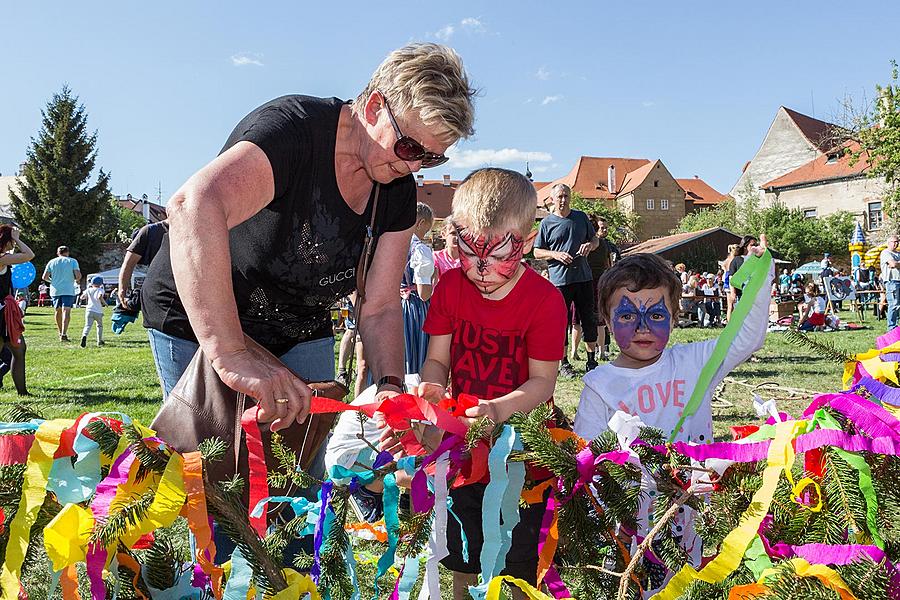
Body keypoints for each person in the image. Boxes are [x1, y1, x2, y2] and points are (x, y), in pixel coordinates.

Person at [139, 42, 476, 431]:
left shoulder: (397, 189)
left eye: (432, 157)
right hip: (201, 316)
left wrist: (389, 386)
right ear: (374, 108)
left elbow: (380, 305)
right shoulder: (293, 129)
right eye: (410, 146)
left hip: (299, 324)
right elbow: (193, 206)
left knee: (303, 472)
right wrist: (230, 352)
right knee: (209, 465)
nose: (414, 165)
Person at [406, 168, 566, 599]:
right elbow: (437, 360)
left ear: (527, 242)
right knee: (463, 552)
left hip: (525, 452)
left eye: (497, 254)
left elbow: (542, 383)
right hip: (465, 446)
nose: (481, 269)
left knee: (515, 560)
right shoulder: (450, 287)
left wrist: (498, 409)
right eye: (468, 251)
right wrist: (433, 389)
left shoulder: (546, 301)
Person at [533, 183, 599, 376]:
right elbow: (536, 252)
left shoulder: (580, 217)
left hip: (583, 277)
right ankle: (564, 363)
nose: (563, 200)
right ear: (552, 199)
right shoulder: (547, 223)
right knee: (561, 322)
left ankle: (591, 361)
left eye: (566, 196)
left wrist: (590, 246)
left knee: (588, 318)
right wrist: (555, 254)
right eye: (560, 196)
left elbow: (595, 239)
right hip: (560, 280)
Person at [0, 226, 35, 395]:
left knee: (19, 350)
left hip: (5, 313)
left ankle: (23, 392)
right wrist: (19, 239)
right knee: (17, 350)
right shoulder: (2, 258)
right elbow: (29, 255)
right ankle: (22, 392)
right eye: (12, 240)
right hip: (1, 313)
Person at [401, 202, 434, 374]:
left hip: (395, 306)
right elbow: (423, 294)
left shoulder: (394, 246)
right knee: (417, 354)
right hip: (415, 310)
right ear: (420, 223)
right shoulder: (420, 249)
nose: (425, 234)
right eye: (426, 229)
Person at [118, 220, 169, 308]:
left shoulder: (193, 231)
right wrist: (122, 291)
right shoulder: (150, 231)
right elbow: (128, 264)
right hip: (159, 293)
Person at [42, 245, 81, 341]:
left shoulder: (52, 262)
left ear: (58, 253)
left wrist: (53, 281)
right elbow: (78, 276)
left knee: (58, 311)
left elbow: (44, 277)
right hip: (68, 289)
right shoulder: (72, 261)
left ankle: (60, 332)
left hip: (55, 290)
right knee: (66, 311)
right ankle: (64, 333)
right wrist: (73, 279)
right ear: (67, 252)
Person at [80, 276, 107, 347]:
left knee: (87, 325)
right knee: (99, 326)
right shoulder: (100, 290)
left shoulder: (89, 289)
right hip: (98, 311)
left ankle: (84, 336)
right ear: (101, 284)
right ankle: (99, 341)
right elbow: (99, 297)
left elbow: (82, 297)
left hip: (89, 310)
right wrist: (105, 303)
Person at [880, 235, 900, 330]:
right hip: (892, 281)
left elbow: (895, 264)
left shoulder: (898, 254)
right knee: (894, 304)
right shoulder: (886, 253)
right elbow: (893, 264)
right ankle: (891, 328)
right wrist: (895, 264)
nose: (896, 243)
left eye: (897, 241)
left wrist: (897, 264)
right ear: (888, 243)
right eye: (894, 242)